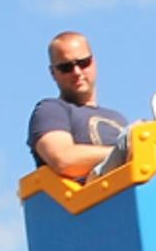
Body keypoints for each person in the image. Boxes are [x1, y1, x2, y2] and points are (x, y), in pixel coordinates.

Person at [27, 31, 127, 179]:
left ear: (94, 62)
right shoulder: (51, 110)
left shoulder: (118, 118)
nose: (77, 72)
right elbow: (63, 160)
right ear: (53, 73)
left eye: (83, 63)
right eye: (66, 67)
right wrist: (127, 151)